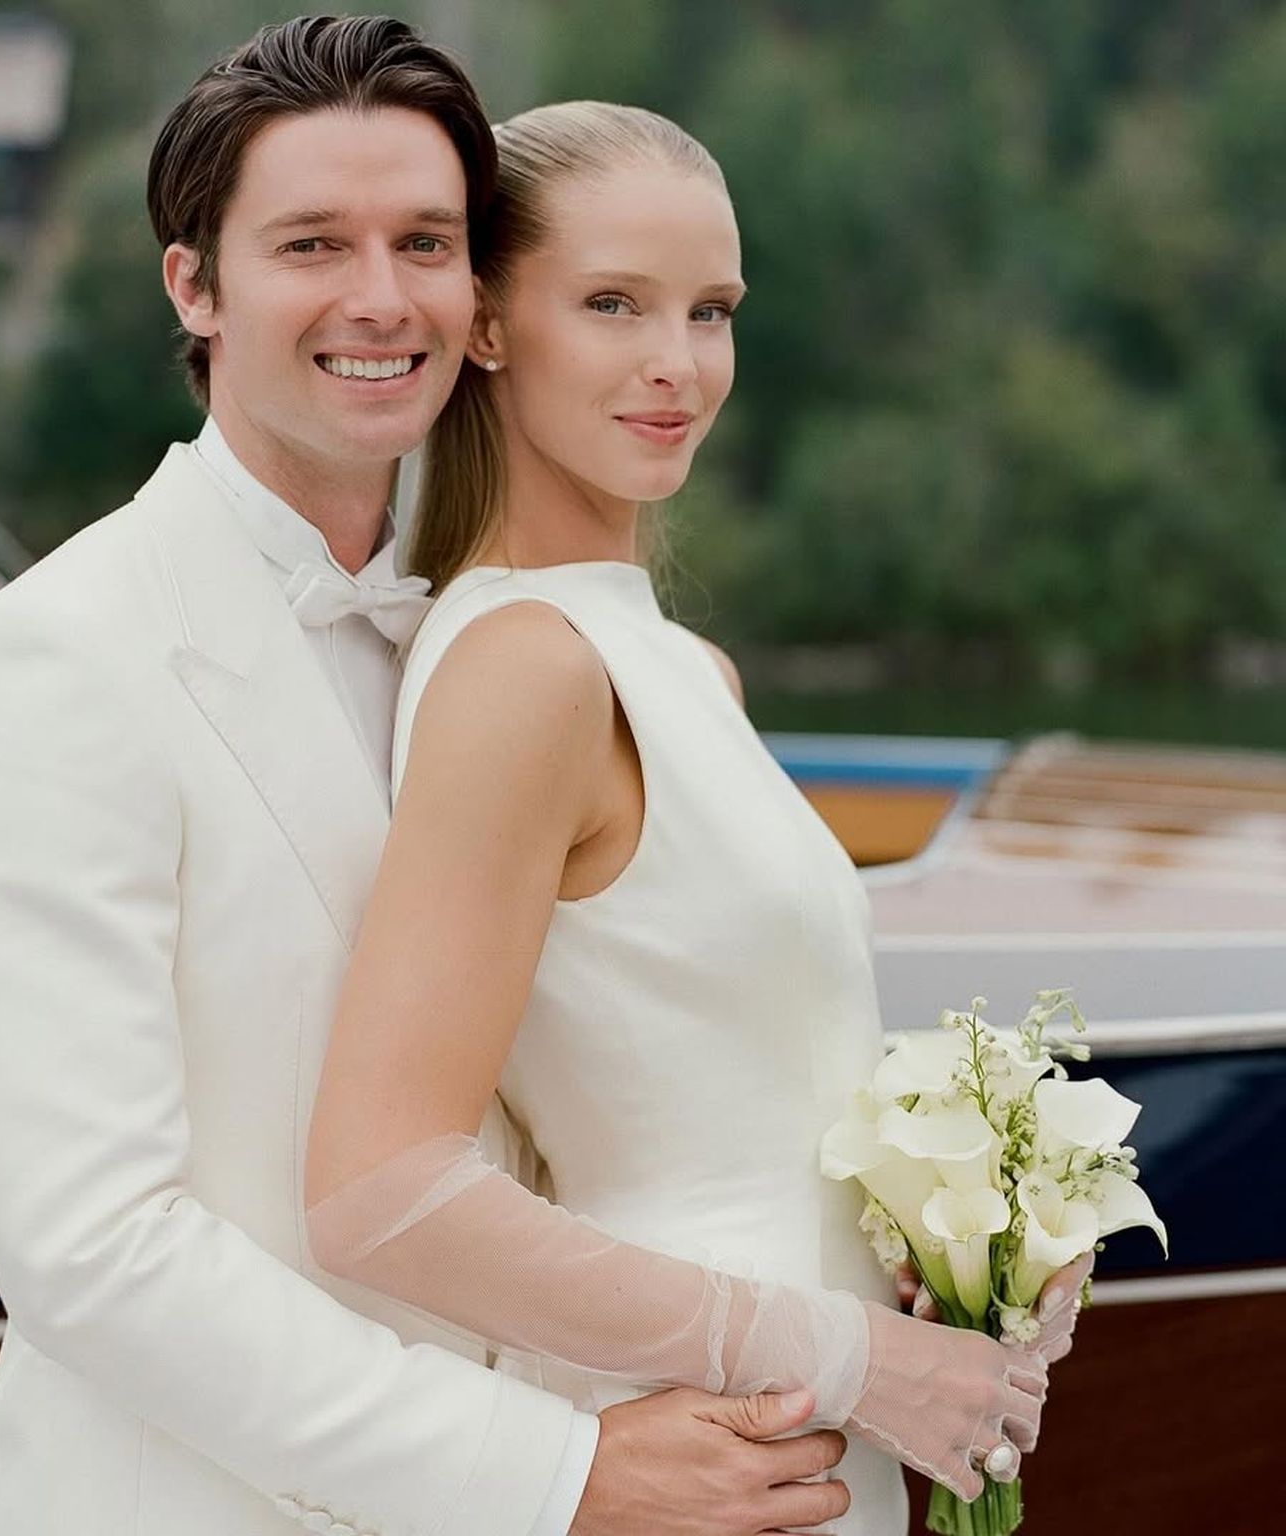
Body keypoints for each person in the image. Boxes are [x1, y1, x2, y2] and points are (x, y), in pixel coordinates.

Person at [0, 18, 855, 1536]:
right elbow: (94, 1252)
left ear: (480, 291)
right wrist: (559, 1473)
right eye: (312, 245)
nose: (382, 299)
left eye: (425, 243)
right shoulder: (46, 666)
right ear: (194, 286)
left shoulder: (502, 635)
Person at [304, 102, 1086, 1535]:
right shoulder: (525, 667)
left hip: (831, 1424)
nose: (678, 361)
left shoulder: (680, 666)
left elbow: (743, 1072)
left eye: (710, 310)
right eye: (613, 304)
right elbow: (377, 1190)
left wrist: (977, 1236)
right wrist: (850, 1357)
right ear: (487, 323)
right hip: (706, 1441)